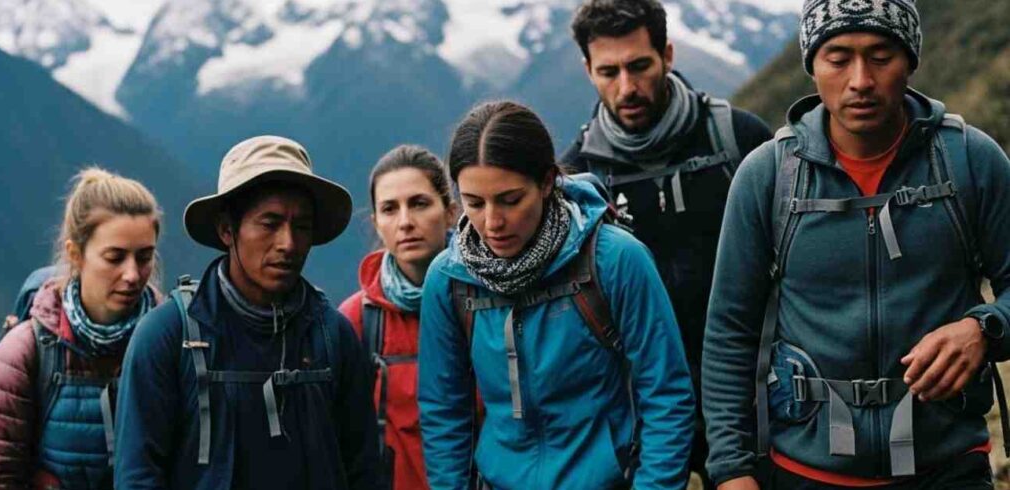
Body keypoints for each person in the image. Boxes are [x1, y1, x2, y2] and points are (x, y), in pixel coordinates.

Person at [703, 1, 1010, 488]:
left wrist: (985, 329)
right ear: (813, 65)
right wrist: (731, 469)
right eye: (838, 57)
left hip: (947, 469)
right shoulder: (768, 176)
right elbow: (728, 333)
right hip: (804, 472)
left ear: (910, 60)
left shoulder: (970, 161)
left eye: (881, 55)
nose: (861, 80)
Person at [418, 101, 696, 490]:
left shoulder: (616, 260)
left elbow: (666, 394)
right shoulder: (448, 280)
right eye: (474, 203)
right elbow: (443, 411)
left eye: (511, 200)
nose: (492, 222)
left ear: (547, 182)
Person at [557, 2, 772, 485]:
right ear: (588, 71)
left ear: (667, 54)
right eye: (608, 72)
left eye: (639, 66)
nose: (627, 87)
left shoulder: (739, 140)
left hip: (751, 403)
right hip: (643, 416)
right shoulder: (577, 180)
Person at [113, 136, 381, 489]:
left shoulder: (334, 337)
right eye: (269, 224)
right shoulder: (168, 337)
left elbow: (364, 473)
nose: (288, 243)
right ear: (228, 230)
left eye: (301, 226)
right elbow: (138, 477)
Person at [0, 168, 163, 489]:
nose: (133, 274)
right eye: (115, 257)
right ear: (76, 254)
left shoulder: (170, 342)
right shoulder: (25, 354)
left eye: (144, 257)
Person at [339, 145, 459, 490]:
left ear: (450, 212)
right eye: (390, 209)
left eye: (419, 204)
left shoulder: (486, 302)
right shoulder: (357, 321)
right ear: (376, 223)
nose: (405, 222)